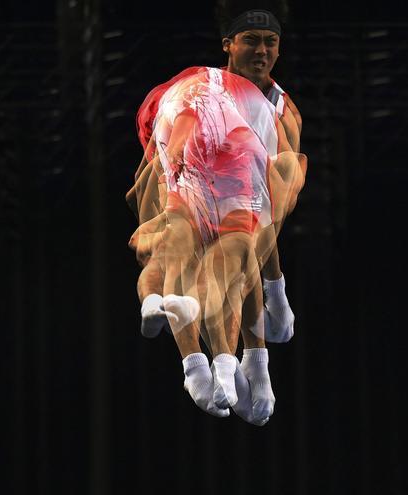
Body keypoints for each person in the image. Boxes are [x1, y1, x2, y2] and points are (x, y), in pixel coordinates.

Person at [125, 1, 306, 425]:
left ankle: (253, 350)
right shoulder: (199, 89)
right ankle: (205, 362)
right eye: (251, 42)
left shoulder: (282, 110)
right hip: (195, 165)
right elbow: (162, 152)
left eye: (271, 43)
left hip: (249, 184)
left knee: (239, 249)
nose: (262, 51)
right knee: (180, 252)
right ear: (229, 44)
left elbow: (273, 200)